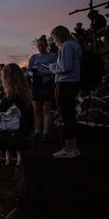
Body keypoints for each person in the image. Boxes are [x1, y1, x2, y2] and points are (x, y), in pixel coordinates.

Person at [46, 26, 82, 158]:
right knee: (69, 115)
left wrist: (51, 66)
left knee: (67, 115)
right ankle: (72, 147)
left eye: (54, 38)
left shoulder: (66, 46)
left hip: (66, 83)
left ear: (59, 36)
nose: (54, 40)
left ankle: (70, 149)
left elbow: (65, 67)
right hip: (72, 83)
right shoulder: (74, 45)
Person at [0, 63, 33, 150]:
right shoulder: (25, 92)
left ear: (6, 78)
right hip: (26, 128)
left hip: (16, 130)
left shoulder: (11, 95)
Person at [27, 35, 57, 142]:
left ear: (46, 45)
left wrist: (43, 72)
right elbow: (28, 71)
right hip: (36, 84)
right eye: (39, 45)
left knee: (46, 109)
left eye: (42, 45)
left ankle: (46, 132)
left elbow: (56, 70)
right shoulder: (34, 57)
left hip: (47, 84)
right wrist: (33, 73)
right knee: (36, 109)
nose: (40, 47)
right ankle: (37, 131)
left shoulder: (52, 56)